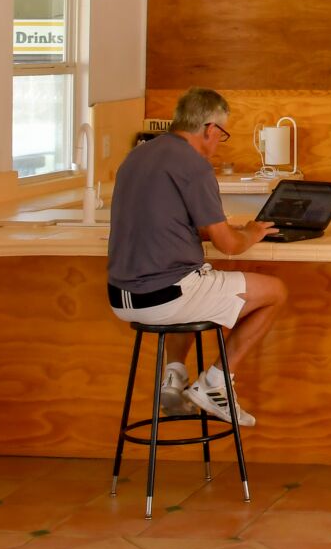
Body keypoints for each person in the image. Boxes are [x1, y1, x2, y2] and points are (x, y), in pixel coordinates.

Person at [106, 87, 287, 426]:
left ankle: (174, 378)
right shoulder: (194, 166)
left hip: (121, 296)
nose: (219, 143)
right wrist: (251, 231)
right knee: (275, 291)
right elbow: (229, 246)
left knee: (198, 280)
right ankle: (216, 384)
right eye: (222, 135)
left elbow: (170, 220)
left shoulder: (138, 156)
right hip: (165, 295)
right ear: (210, 129)